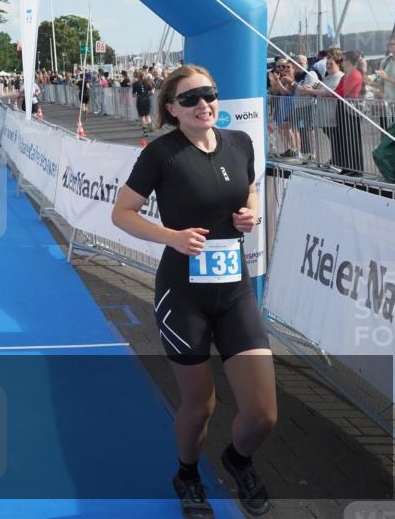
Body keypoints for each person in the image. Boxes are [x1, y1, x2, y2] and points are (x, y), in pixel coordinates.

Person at [111, 65, 275, 517]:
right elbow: (122, 213)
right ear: (172, 109)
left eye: (210, 93)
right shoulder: (161, 153)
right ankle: (186, 473)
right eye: (190, 98)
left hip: (235, 290)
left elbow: (251, 192)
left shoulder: (241, 143)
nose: (204, 103)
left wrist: (250, 215)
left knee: (263, 414)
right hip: (183, 295)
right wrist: (171, 236)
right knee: (200, 406)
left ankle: (238, 461)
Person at [132, 71, 154, 137]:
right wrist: (147, 94)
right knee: (147, 115)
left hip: (140, 100)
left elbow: (133, 94)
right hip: (147, 99)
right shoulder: (147, 83)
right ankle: (150, 127)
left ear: (138, 76)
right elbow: (152, 92)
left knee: (142, 116)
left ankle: (145, 132)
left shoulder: (135, 84)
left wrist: (138, 94)